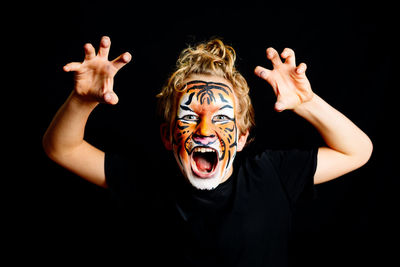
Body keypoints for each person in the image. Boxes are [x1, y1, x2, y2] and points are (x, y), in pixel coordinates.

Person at [42, 36, 373, 266]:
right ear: (168, 136)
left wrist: (307, 103)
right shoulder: (145, 184)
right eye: (188, 116)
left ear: (241, 138)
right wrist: (82, 101)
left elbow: (357, 151)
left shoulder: (273, 175)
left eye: (222, 118)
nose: (204, 131)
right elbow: (62, 148)